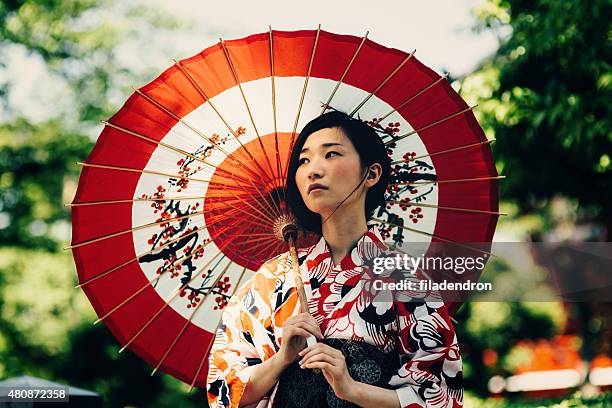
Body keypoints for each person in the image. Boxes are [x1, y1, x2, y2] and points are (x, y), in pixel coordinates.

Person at [206, 111, 463, 407]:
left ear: (371, 174)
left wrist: (351, 389)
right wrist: (284, 358)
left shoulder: (405, 277)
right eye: (303, 160)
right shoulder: (272, 279)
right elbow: (224, 392)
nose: (313, 170)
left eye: (331, 154)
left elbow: (441, 398)